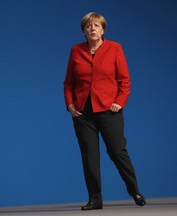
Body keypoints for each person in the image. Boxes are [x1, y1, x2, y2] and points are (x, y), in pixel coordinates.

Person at [63, 12, 146, 211]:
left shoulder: (115, 48)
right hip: (83, 113)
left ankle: (134, 190)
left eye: (97, 26)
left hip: (109, 110)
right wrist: (70, 104)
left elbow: (124, 80)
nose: (93, 29)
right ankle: (95, 199)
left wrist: (120, 101)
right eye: (89, 26)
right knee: (89, 156)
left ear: (103, 30)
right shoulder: (76, 51)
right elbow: (68, 82)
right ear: (83, 31)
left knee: (117, 152)